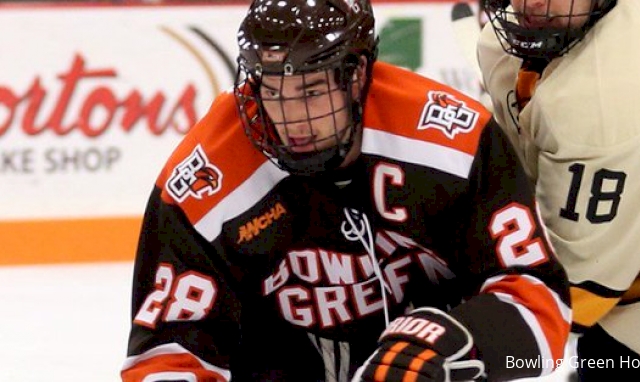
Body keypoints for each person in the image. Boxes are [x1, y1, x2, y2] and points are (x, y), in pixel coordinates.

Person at [120, 0, 571, 381]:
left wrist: (457, 343)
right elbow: (166, 355)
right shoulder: (206, 181)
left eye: (312, 91)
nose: (292, 117)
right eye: (273, 91)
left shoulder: (450, 143)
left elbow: (542, 306)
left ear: (356, 76)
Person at [477, 0, 640, 380]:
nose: (528, 4)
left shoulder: (610, 106)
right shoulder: (511, 42)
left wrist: (461, 334)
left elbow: (576, 291)